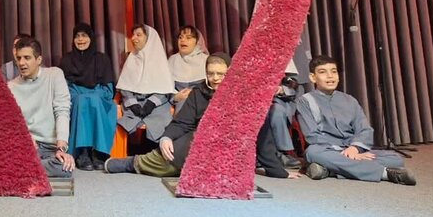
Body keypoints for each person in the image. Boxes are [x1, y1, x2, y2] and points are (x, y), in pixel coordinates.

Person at [105, 53, 299, 179]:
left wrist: (278, 171)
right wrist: (166, 137)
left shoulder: (243, 96)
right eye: (211, 73)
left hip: (227, 150)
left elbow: (262, 133)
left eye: (221, 74)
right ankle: (131, 163)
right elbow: (182, 122)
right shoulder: (199, 93)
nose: (215, 79)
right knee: (165, 162)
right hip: (197, 142)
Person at [297, 56, 415, 185]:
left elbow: (365, 129)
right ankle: (385, 173)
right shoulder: (305, 101)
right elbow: (312, 136)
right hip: (327, 149)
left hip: (351, 148)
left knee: (395, 159)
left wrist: (355, 148)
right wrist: (343, 153)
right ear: (313, 77)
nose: (330, 76)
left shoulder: (350, 100)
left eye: (334, 71)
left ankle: (329, 171)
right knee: (313, 153)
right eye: (323, 72)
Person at [8, 37, 75, 177]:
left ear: (38, 60)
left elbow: (62, 111)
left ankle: (20, 170)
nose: (21, 63)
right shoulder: (11, 86)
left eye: (27, 58)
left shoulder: (55, 75)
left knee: (63, 167)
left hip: (51, 148)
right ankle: (26, 168)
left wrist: (61, 149)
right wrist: (24, 138)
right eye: (19, 58)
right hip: (25, 146)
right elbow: (11, 122)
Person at [59, 23, 116, 170]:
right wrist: (82, 95)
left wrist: (92, 95)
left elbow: (108, 90)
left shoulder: (102, 59)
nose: (80, 39)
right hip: (74, 94)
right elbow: (63, 88)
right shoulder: (67, 60)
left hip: (98, 94)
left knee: (93, 101)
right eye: (77, 36)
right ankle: (82, 152)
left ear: (91, 38)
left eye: (84, 36)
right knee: (81, 101)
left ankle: (97, 152)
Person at [116, 24, 176, 143]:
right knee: (129, 119)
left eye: (138, 35)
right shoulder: (131, 58)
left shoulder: (159, 60)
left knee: (159, 118)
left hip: (156, 104)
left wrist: (151, 103)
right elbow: (125, 87)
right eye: (133, 35)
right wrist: (133, 104)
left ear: (149, 38)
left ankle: (157, 149)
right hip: (134, 103)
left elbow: (165, 88)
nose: (133, 38)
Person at [268, 58, 304, 169]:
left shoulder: (283, 55)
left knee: (277, 111)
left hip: (279, 102)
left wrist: (281, 89)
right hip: (254, 101)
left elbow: (294, 85)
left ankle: (282, 153)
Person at [167, 24, 209, 107]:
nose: (182, 40)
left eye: (188, 38)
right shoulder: (172, 60)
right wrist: (175, 98)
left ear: (197, 42)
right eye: (180, 37)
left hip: (203, 103)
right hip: (180, 104)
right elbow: (166, 88)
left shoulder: (206, 60)